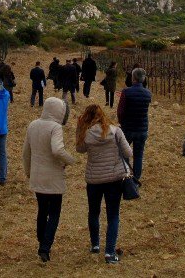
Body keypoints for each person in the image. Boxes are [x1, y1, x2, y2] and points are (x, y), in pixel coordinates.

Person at [76, 104, 132, 264]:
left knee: (94, 212)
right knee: (113, 215)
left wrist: (79, 129)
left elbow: (79, 149)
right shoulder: (115, 131)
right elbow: (128, 152)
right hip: (114, 179)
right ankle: (109, 252)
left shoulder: (87, 134)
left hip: (94, 179)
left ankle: (95, 245)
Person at [23, 97, 76, 262]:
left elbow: (26, 152)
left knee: (42, 210)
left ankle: (41, 240)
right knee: (54, 213)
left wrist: (28, 172)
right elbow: (57, 150)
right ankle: (45, 247)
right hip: (53, 176)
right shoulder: (55, 127)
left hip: (38, 176)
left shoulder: (33, 125)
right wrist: (71, 160)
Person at [116, 68, 151, 183]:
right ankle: (136, 179)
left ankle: (126, 175)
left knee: (123, 152)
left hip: (128, 128)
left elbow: (120, 111)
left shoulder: (126, 92)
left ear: (133, 78)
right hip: (142, 129)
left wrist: (122, 123)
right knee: (139, 155)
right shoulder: (148, 93)